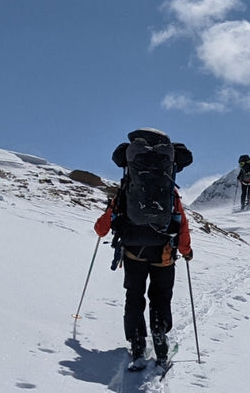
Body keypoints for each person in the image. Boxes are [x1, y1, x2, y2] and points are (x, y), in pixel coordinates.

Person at [95, 128, 193, 368]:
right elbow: (181, 223)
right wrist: (186, 251)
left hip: (133, 252)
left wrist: (102, 228)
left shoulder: (128, 189)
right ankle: (159, 336)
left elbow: (102, 228)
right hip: (164, 254)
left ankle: (137, 343)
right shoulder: (169, 192)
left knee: (134, 296)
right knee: (160, 297)